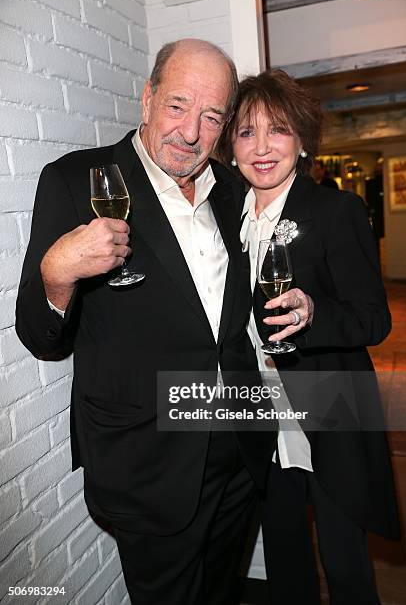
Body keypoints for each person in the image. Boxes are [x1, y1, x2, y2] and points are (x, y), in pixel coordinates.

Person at [15, 40, 276, 605]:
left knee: (223, 589)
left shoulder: (233, 192)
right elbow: (39, 335)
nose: (190, 132)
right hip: (147, 463)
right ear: (147, 98)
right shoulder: (76, 181)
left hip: (239, 444)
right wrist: (58, 272)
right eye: (178, 106)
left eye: (211, 116)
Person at [216, 70, 400, 604]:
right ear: (231, 145)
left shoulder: (335, 211)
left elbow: (373, 319)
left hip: (329, 409)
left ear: (301, 139)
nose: (262, 146)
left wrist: (316, 313)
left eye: (278, 129)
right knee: (284, 557)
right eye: (246, 132)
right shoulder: (226, 218)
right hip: (258, 410)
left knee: (344, 562)